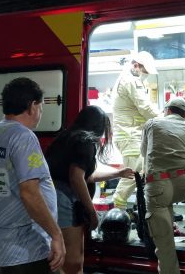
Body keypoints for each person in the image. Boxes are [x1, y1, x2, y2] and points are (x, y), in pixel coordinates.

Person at [45, 105, 135, 274]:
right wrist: (91, 211)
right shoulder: (86, 142)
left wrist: (119, 173)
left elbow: (87, 174)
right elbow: (76, 177)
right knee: (74, 261)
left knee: (58, 257)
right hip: (64, 200)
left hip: (49, 197)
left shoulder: (65, 138)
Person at [0, 77, 66, 274]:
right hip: (26, 249)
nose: (41, 112)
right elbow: (29, 193)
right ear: (32, 106)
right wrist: (56, 235)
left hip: (2, 248)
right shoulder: (23, 136)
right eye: (41, 106)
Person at [141, 97, 185, 274]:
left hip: (159, 188)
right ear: (184, 115)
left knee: (165, 245)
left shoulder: (152, 124)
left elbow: (143, 152)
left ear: (168, 110)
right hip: (184, 186)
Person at [111, 51, 160, 210]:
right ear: (136, 65)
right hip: (130, 135)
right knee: (133, 174)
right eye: (144, 72)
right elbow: (145, 107)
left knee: (139, 173)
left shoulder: (124, 79)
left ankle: (125, 211)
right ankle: (117, 214)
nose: (144, 75)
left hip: (131, 135)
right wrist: (165, 119)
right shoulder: (131, 80)